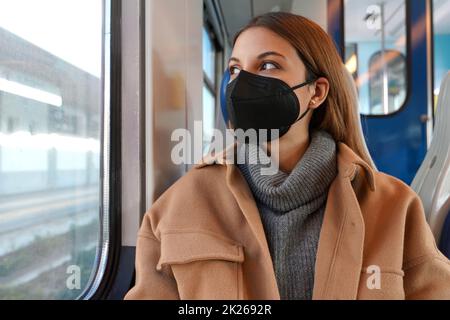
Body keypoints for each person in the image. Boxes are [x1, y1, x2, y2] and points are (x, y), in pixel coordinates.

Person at [124, 12, 450, 300]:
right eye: (235, 70)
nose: (242, 84)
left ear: (316, 92)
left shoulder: (394, 207)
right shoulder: (178, 206)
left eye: (267, 65)